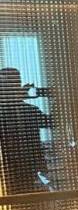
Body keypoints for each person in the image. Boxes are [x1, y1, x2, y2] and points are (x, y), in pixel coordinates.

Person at [0, 67, 51, 195]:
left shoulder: (29, 111)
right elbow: (53, 121)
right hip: (20, 174)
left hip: (22, 174)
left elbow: (52, 122)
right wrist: (45, 94)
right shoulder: (29, 111)